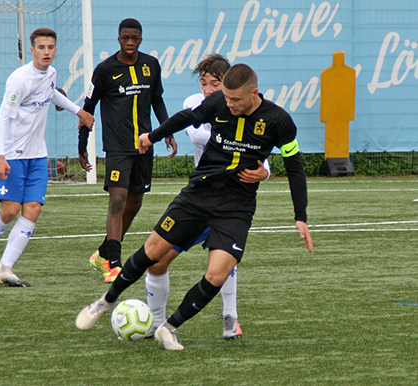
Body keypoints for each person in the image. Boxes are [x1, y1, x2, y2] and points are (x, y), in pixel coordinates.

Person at [75, 63, 313, 351]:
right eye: (226, 98)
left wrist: (300, 216)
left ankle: (169, 327)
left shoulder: (279, 121)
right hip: (198, 195)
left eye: (235, 100)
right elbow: (187, 117)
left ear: (254, 93)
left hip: (236, 206)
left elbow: (294, 165)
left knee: (217, 273)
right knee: (152, 252)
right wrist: (152, 136)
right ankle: (104, 302)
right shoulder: (218, 102)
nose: (229, 104)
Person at [144, 54, 271, 340]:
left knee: (223, 261)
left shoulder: (245, 109)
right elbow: (198, 133)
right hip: (198, 201)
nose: (208, 89)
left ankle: (230, 316)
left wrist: (264, 173)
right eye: (204, 83)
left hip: (230, 203)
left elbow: (262, 158)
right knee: (156, 261)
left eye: (215, 83)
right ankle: (156, 323)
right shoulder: (196, 104)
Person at [0, 28, 94, 287]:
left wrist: (79, 112)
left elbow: (51, 93)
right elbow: (3, 118)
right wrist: (0, 156)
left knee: (33, 209)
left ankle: (5, 268)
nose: (46, 51)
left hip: (38, 155)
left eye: (51, 47)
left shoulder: (51, 73)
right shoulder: (19, 79)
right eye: (41, 47)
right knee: (9, 211)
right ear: (32, 50)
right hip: (13, 155)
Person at [78, 18, 177, 283]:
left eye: (135, 38)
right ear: (118, 38)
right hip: (118, 147)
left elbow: (157, 99)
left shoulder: (151, 65)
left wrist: (166, 131)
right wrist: (82, 144)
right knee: (118, 201)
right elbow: (88, 107)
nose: (130, 43)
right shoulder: (105, 70)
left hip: (144, 145)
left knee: (135, 203)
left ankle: (103, 253)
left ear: (140, 39)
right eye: (125, 38)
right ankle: (114, 264)